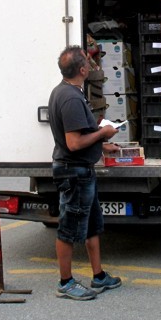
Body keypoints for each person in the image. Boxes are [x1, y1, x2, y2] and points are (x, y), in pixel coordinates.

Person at [48, 45, 123, 300]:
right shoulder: (70, 98)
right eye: (88, 62)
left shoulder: (65, 91)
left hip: (81, 171)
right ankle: (65, 283)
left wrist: (101, 146)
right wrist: (103, 133)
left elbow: (79, 138)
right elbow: (73, 143)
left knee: (92, 226)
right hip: (74, 173)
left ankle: (98, 276)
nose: (91, 65)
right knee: (68, 229)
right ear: (82, 70)